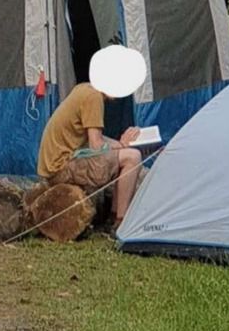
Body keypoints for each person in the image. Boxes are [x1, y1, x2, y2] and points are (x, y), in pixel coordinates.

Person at [36, 45, 148, 230]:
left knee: (126, 152)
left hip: (53, 163)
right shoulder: (94, 98)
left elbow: (95, 137)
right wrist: (123, 146)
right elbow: (96, 146)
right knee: (133, 157)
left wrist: (120, 144)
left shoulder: (84, 89)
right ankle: (120, 220)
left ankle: (112, 214)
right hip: (60, 167)